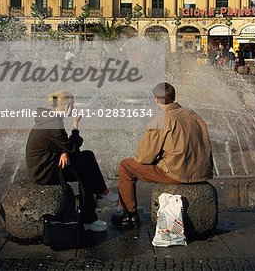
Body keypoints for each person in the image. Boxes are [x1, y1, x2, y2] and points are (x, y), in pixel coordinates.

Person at [111, 82, 213, 227]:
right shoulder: (192, 114)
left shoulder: (161, 120)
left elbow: (144, 157)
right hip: (202, 171)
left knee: (126, 166)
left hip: (177, 173)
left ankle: (129, 215)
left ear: (157, 99)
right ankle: (128, 214)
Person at [26, 90, 118, 232]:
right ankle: (91, 214)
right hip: (44, 173)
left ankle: (100, 196)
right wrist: (75, 125)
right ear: (66, 106)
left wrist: (63, 151)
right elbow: (72, 147)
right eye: (72, 105)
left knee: (87, 157)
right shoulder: (54, 123)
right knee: (85, 169)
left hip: (47, 165)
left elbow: (60, 144)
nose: (74, 108)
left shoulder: (50, 119)